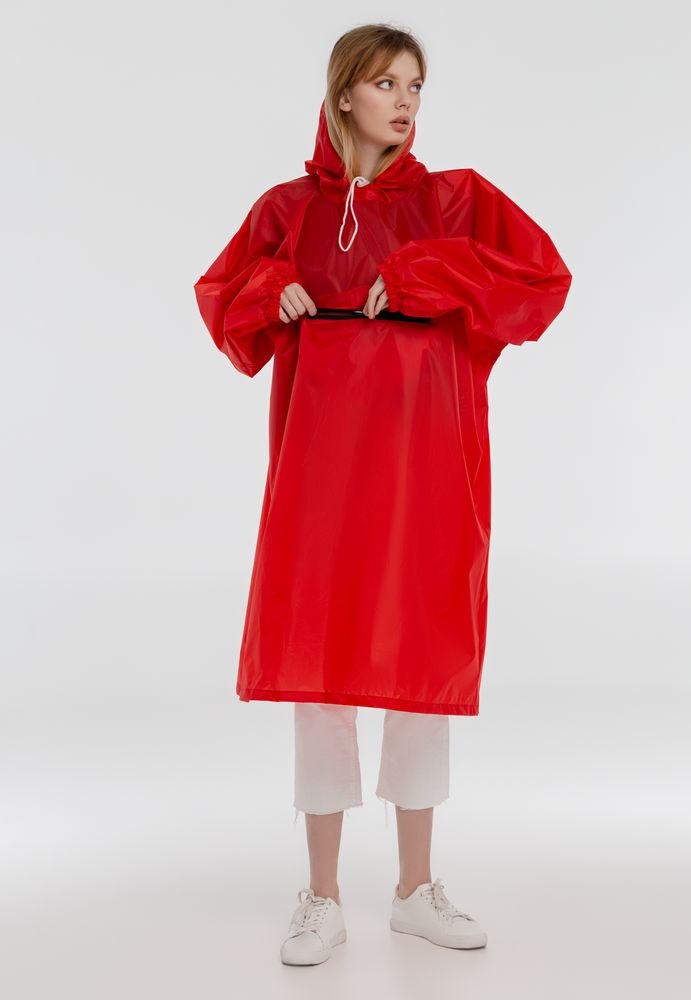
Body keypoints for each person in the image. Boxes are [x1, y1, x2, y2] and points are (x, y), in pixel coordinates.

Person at [194, 23, 572, 967]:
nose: (405, 102)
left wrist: (421, 273)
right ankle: (321, 896)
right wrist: (272, 288)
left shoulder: (453, 201)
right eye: (386, 84)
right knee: (320, 668)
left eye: (415, 86)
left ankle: (414, 889)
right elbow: (221, 301)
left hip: (426, 468)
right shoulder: (288, 209)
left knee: (419, 666)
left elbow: (541, 282)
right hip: (323, 475)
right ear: (343, 96)